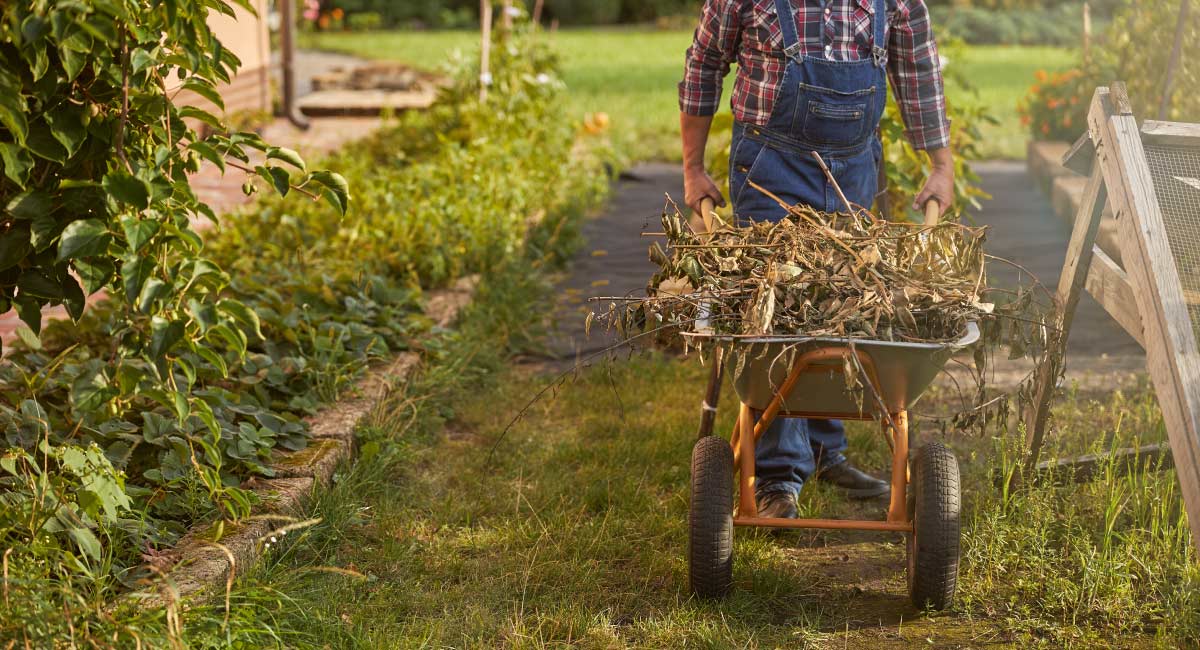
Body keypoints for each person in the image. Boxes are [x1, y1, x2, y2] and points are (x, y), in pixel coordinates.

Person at [679, 0, 955, 518]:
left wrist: (941, 163)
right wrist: (693, 168)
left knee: (843, 303)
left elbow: (917, 68)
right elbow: (703, 65)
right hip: (770, 165)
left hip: (854, 169)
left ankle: (826, 449)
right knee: (780, 314)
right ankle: (779, 475)